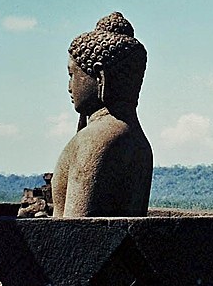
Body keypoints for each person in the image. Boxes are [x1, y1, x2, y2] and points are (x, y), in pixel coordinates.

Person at [52, 12, 153, 217]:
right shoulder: (138, 141)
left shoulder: (95, 142)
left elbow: (77, 231)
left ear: (100, 77)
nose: (69, 87)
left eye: (72, 75)